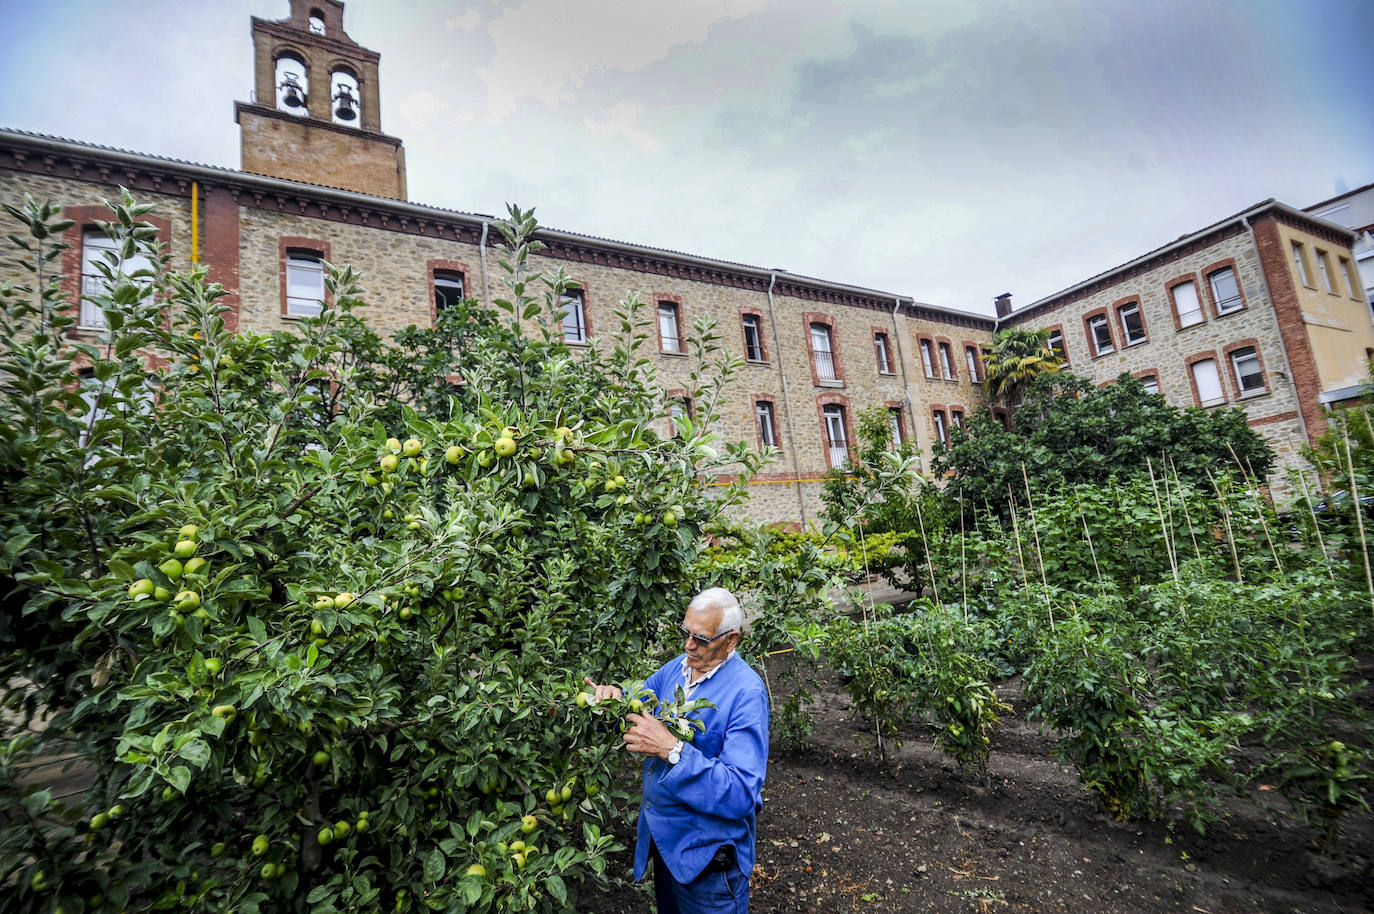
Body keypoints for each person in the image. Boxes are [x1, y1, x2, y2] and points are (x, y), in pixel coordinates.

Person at [585, 587, 768, 913]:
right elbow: (635, 705)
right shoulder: (675, 670)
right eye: (685, 632)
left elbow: (741, 793)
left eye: (701, 639)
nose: (688, 645)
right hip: (667, 850)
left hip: (709, 864)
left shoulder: (747, 693)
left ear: (731, 640)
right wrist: (611, 701)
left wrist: (672, 749)